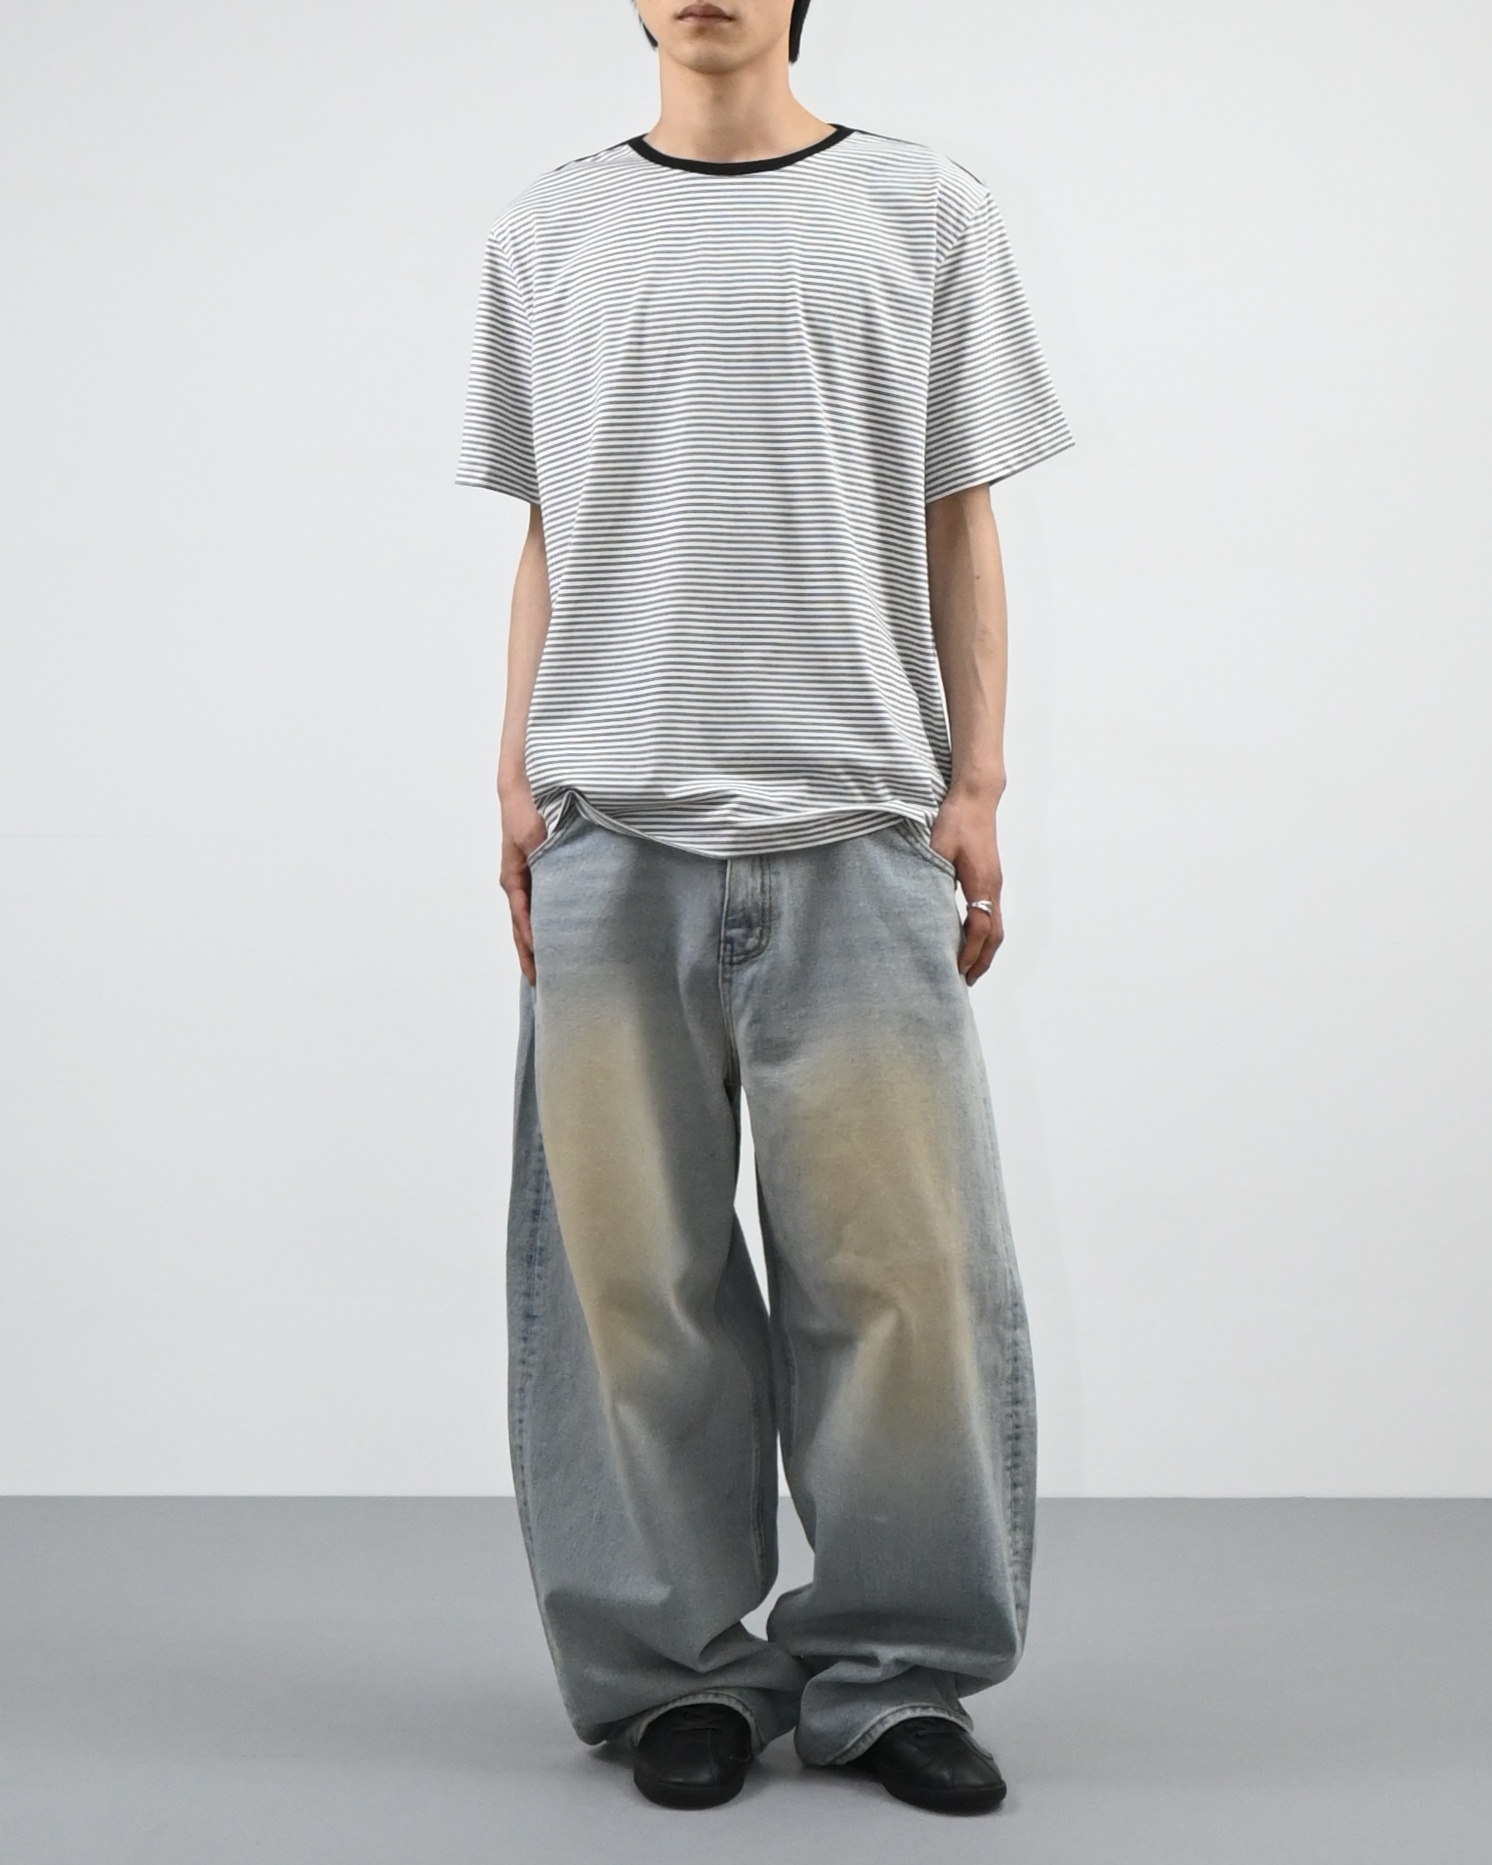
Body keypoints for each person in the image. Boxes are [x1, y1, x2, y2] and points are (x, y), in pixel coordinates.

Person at [456, 0, 1074, 1816]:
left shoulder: (925, 210)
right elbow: (556, 525)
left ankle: (892, 1672)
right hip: (613, 825)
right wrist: (515, 774)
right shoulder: (552, 227)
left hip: (856, 820)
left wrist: (977, 783)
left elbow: (961, 516)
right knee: (626, 1287)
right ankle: (680, 1676)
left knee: (904, 1282)